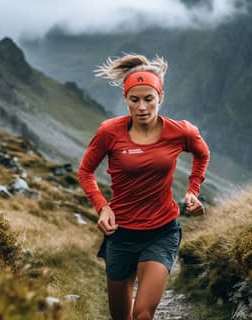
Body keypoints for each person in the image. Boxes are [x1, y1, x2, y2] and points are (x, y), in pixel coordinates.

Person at [78, 53, 210, 320]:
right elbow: (85, 172)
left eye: (148, 99)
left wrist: (193, 190)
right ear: (125, 99)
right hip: (120, 235)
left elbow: (202, 154)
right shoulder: (109, 132)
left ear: (160, 98)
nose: (141, 107)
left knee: (142, 314)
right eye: (134, 99)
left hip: (161, 232)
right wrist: (102, 207)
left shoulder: (181, 132)